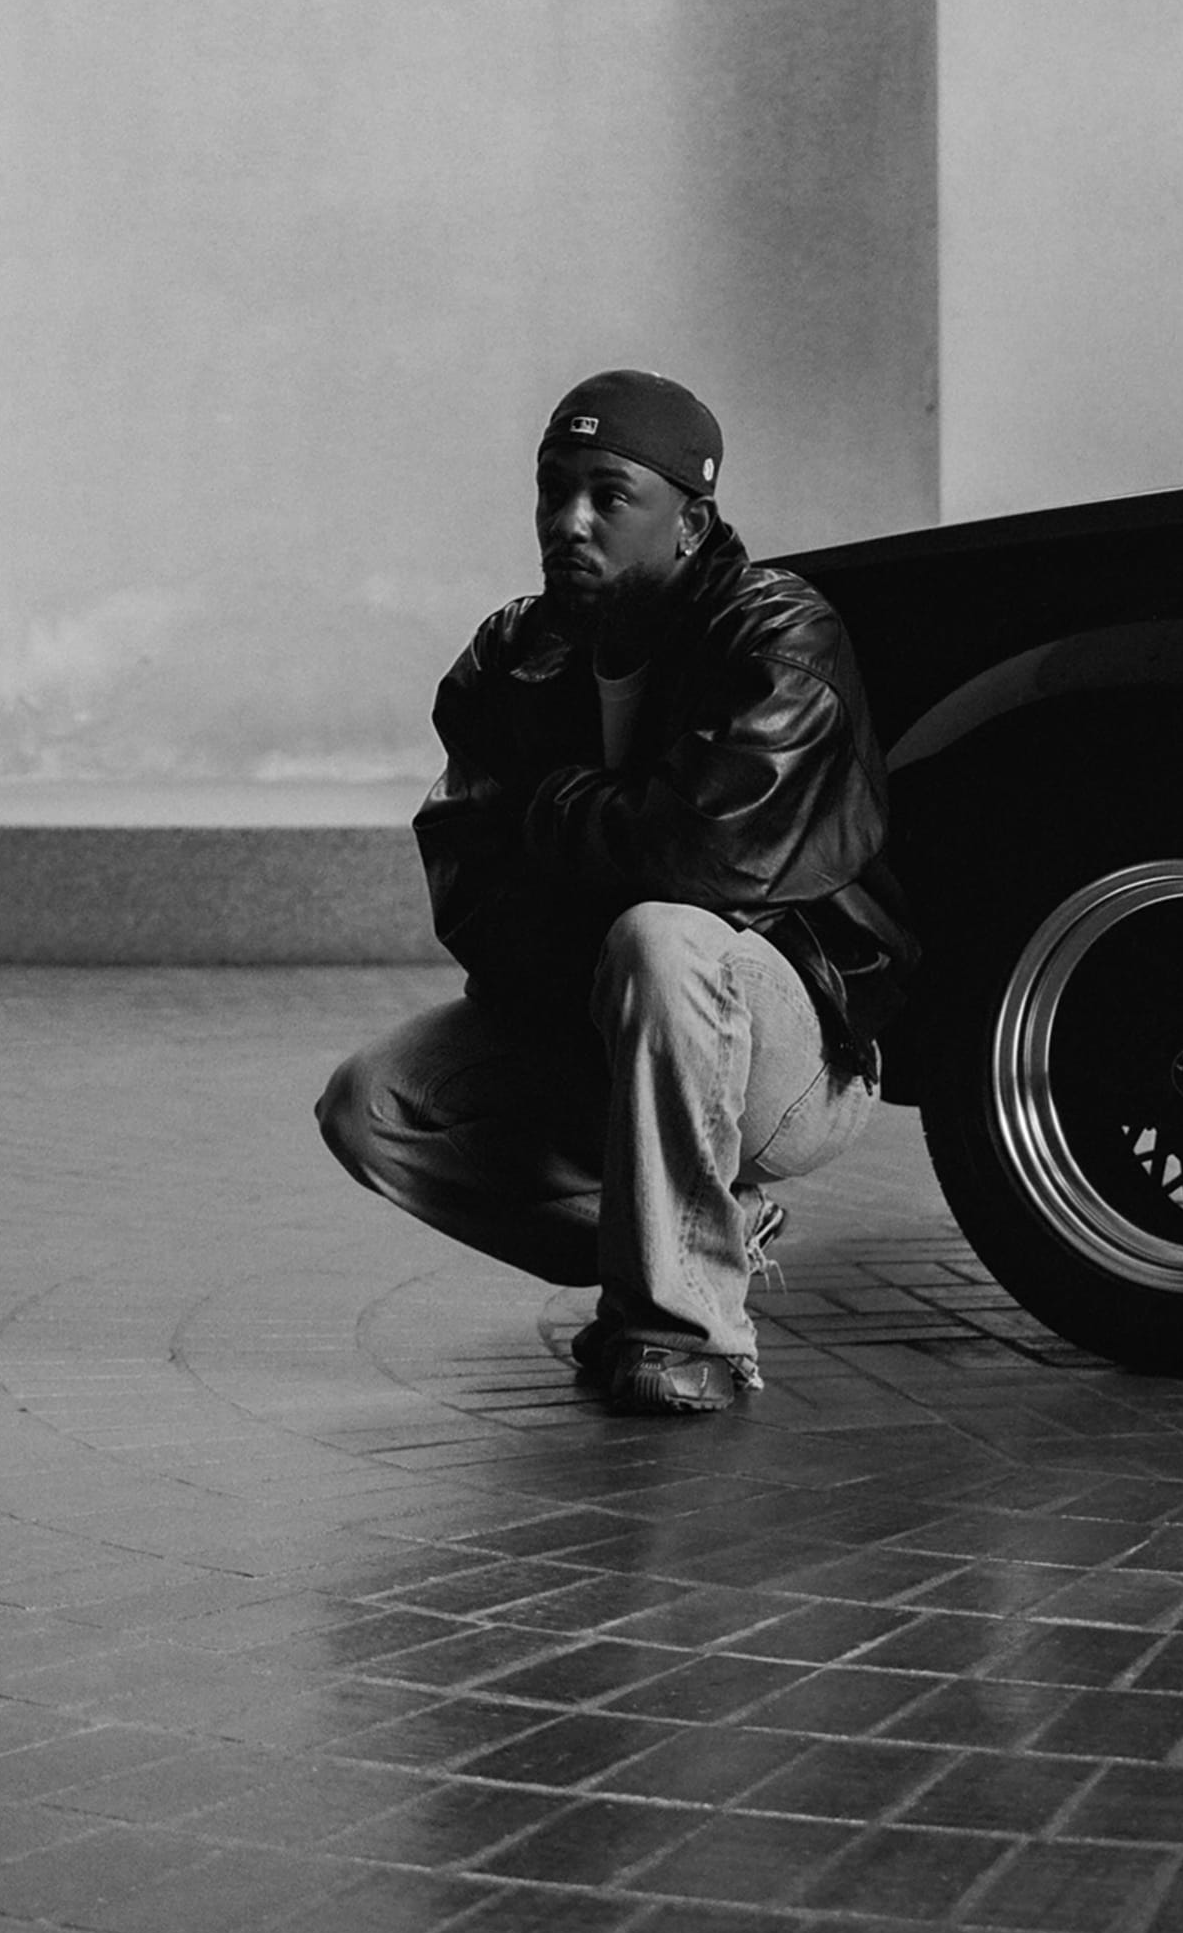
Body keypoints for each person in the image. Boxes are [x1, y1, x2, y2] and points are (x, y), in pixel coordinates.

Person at [317, 369, 917, 1415]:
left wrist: (555, 810)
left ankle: (686, 1332)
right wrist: (609, 850)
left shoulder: (778, 638)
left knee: (661, 935)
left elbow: (703, 860)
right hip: (609, 1023)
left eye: (607, 494)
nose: (567, 521)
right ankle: (698, 1231)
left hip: (797, 1049)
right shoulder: (512, 658)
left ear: (688, 524)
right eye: (552, 491)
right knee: (375, 1105)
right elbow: (472, 889)